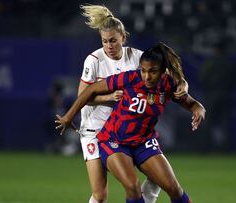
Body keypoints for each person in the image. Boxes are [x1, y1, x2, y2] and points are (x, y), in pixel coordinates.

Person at [55, 42, 205, 203]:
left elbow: (192, 104)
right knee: (132, 186)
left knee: (174, 188)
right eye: (144, 70)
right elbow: (91, 90)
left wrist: (199, 110)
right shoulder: (130, 78)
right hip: (114, 141)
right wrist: (68, 117)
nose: (147, 76)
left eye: (153, 71)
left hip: (144, 142)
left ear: (163, 71)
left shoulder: (168, 85)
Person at [76, 4, 189, 203]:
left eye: (113, 41)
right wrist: (108, 98)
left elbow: (168, 75)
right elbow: (83, 96)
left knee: (157, 179)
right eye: (104, 42)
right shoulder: (93, 60)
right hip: (94, 129)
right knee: (100, 195)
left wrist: (184, 84)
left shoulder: (137, 57)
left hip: (126, 130)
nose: (109, 46)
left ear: (123, 38)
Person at [199, 41, 236, 152]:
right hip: (226, 94)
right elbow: (234, 79)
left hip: (212, 95)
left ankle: (206, 148)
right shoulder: (230, 63)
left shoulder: (210, 62)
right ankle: (227, 148)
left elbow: (202, 78)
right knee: (226, 123)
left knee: (208, 122)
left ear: (216, 50)